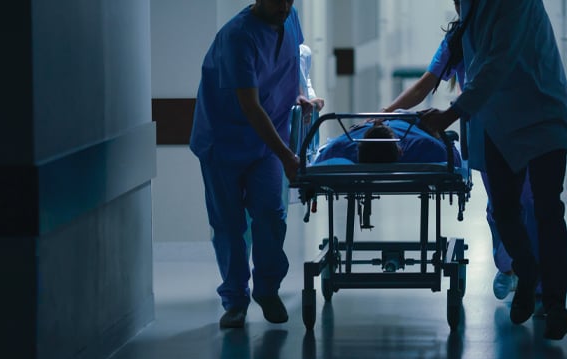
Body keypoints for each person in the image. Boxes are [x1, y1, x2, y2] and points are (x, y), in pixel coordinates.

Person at [419, 0, 567, 340]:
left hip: (542, 113)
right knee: (504, 212)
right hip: (498, 122)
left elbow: (496, 64)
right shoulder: (469, 8)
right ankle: (526, 272)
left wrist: (449, 115)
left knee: (547, 211)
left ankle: (555, 307)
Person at [381, 0, 538, 302]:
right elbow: (424, 85)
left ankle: (536, 281)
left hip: (522, 124)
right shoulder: (456, 40)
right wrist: (388, 111)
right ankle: (508, 267)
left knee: (530, 202)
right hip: (485, 131)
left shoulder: (506, 24)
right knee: (500, 208)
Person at [190, 0, 308, 329]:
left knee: (271, 214)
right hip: (223, 141)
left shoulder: (290, 18)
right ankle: (235, 299)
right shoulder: (238, 37)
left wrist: (301, 94)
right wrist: (287, 155)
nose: (284, 5)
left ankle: (267, 289)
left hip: (268, 141)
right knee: (230, 225)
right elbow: (250, 106)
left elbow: (292, 63)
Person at [312, 119, 461, 166]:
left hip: (404, 122)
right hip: (412, 124)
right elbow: (454, 159)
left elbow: (317, 162)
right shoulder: (424, 145)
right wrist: (439, 136)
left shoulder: (340, 147)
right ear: (401, 151)